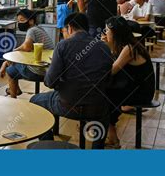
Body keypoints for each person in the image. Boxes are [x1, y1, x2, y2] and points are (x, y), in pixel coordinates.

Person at [30, 13, 112, 149]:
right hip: (97, 107)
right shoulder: (104, 47)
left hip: (68, 106)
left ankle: (48, 144)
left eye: (64, 30)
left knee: (35, 101)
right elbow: (107, 79)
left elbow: (49, 82)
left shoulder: (63, 46)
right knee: (104, 112)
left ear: (70, 28)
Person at [103, 16, 155, 148]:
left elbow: (112, 71)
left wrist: (106, 46)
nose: (105, 33)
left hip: (142, 92)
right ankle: (111, 135)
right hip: (135, 86)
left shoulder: (129, 49)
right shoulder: (128, 45)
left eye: (107, 30)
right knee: (106, 90)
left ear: (115, 33)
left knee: (104, 94)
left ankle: (112, 137)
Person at [0, 9, 54, 98]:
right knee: (12, 69)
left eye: (22, 20)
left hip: (37, 71)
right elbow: (27, 51)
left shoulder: (32, 30)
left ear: (31, 21)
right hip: (49, 71)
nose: (19, 23)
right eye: (18, 21)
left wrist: (12, 54)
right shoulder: (40, 30)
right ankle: (14, 90)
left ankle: (13, 96)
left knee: (10, 70)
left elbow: (26, 47)